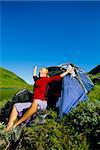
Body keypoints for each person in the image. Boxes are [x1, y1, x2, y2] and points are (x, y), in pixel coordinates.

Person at [5, 66, 72, 131]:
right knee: (16, 106)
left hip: (42, 103)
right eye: (40, 71)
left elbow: (59, 77)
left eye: (42, 71)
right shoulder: (37, 80)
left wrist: (67, 71)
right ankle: (9, 127)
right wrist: (35, 69)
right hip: (34, 102)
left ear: (46, 73)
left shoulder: (47, 80)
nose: (40, 72)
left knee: (35, 103)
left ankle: (16, 124)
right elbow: (34, 76)